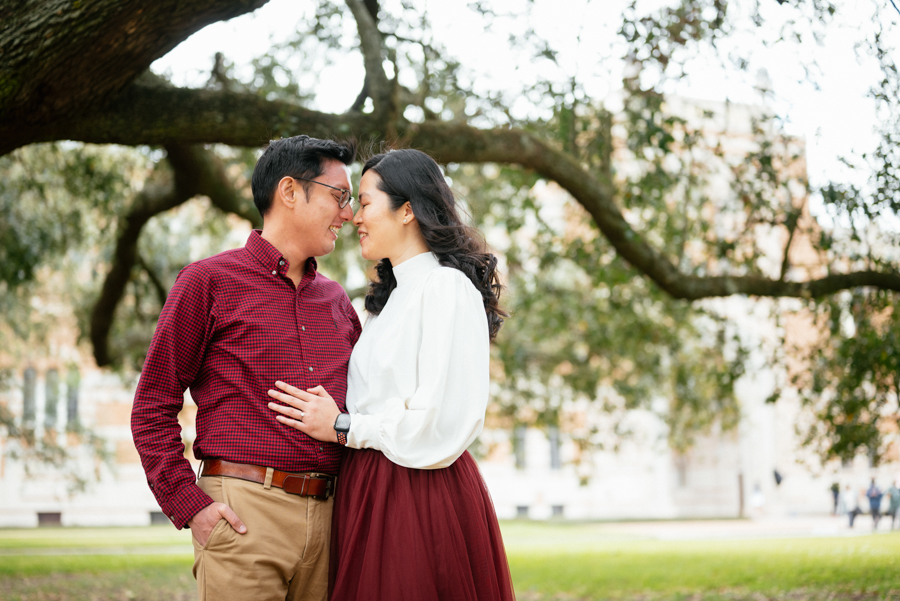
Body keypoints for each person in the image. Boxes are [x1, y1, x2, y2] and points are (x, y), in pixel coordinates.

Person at [267, 148, 516, 601]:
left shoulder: (446, 287)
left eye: (363, 202)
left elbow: (440, 420)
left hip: (418, 491)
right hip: (365, 489)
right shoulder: (383, 304)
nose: (352, 216)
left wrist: (342, 426)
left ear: (407, 210)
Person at [131, 135, 361, 601]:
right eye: (340, 196)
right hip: (243, 515)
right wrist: (191, 506)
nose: (349, 214)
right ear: (291, 191)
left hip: (334, 521)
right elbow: (152, 405)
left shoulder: (337, 301)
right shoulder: (208, 282)